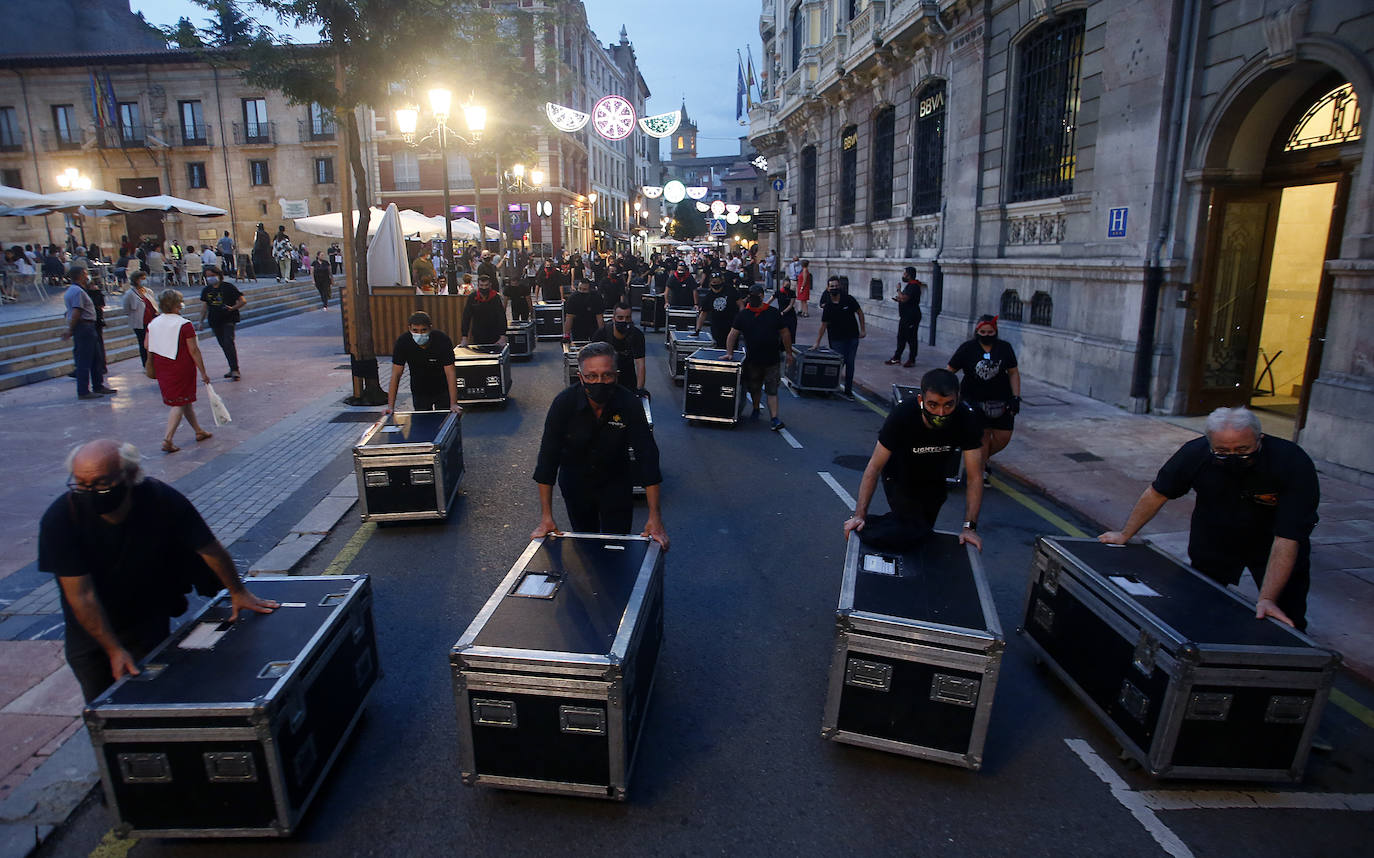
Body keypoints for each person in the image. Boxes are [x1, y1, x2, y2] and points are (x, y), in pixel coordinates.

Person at [39, 439, 278, 702]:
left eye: (101, 484)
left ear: (129, 476)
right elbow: (81, 595)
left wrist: (238, 591)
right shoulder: (62, 518)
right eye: (82, 484)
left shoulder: (158, 498)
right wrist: (113, 649)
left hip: (146, 615)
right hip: (90, 629)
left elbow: (208, 547)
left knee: (152, 693)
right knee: (105, 705)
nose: (90, 492)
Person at [1098, 407, 1319, 629]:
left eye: (1243, 450)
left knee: (1286, 610)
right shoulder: (1194, 453)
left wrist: (1268, 598)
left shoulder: (1292, 462)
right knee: (1201, 600)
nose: (1233, 457)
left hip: (1271, 538)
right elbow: (1157, 493)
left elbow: (1287, 537)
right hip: (1214, 535)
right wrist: (1125, 533)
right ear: (1209, 443)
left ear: (1259, 439)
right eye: (1222, 452)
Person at [532, 342, 668, 546]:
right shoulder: (564, 404)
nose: (599, 382)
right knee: (587, 546)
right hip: (576, 484)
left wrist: (655, 518)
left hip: (616, 484)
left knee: (617, 546)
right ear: (580, 377)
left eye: (607, 375)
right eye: (591, 376)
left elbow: (647, 457)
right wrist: (546, 517)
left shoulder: (629, 403)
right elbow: (547, 460)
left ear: (616, 375)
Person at [844, 369, 984, 549]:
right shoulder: (902, 416)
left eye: (948, 405)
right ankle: (864, 527)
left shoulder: (966, 418)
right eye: (933, 405)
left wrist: (969, 528)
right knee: (910, 527)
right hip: (900, 475)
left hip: (934, 477)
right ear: (921, 400)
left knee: (922, 531)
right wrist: (860, 515)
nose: (941, 413)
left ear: (958, 398)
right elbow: (874, 467)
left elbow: (975, 477)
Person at [946, 314, 1020, 483]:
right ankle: (979, 475)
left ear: (996, 331)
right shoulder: (967, 348)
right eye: (983, 331)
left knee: (1003, 437)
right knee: (983, 437)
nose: (987, 334)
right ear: (977, 331)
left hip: (1001, 401)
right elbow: (950, 370)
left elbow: (1014, 372)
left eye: (990, 331)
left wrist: (1016, 397)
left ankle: (979, 458)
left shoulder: (1005, 348)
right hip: (974, 400)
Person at [147, 289, 214, 453]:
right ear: (178, 304)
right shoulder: (184, 325)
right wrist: (203, 372)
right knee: (179, 402)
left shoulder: (153, 323)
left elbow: (147, 345)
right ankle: (168, 439)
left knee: (184, 400)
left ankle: (198, 430)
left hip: (162, 365)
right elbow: (194, 350)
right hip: (181, 366)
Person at [727, 284, 794, 431]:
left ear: (762, 296)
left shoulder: (773, 313)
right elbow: (732, 335)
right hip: (753, 360)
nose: (752, 298)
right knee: (754, 388)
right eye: (750, 296)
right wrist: (729, 353)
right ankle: (756, 408)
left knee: (772, 389)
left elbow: (785, 333)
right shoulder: (743, 315)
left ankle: (774, 418)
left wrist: (789, 353)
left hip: (772, 360)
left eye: (755, 296)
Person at [386, 311, 460, 414]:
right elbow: (396, 374)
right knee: (422, 422)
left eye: (423, 330)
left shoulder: (442, 340)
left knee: (444, 421)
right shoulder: (403, 342)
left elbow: (450, 373)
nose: (419, 334)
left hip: (442, 389)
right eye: (415, 330)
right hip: (419, 390)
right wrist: (390, 407)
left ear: (430, 328)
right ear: (409, 329)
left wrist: (453, 403)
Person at [61, 268, 116, 400]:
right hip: (84, 327)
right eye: (85, 274)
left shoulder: (75, 290)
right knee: (84, 360)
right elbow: (76, 311)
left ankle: (98, 385)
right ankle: (83, 390)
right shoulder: (77, 292)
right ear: (80, 276)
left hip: (89, 327)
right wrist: (70, 328)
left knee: (96, 358)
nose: (87, 276)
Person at [814, 275, 866, 398]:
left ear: (840, 287)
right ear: (828, 288)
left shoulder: (848, 299)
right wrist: (817, 342)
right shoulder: (828, 306)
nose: (834, 288)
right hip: (836, 339)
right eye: (832, 286)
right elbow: (823, 325)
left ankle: (848, 391)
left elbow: (860, 312)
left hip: (852, 337)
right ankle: (829, 387)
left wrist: (863, 330)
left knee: (850, 363)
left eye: (836, 286)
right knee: (837, 363)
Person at [199, 266, 246, 381]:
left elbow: (243, 301)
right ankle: (232, 367)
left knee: (228, 342)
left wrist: (232, 308)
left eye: (212, 275)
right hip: (215, 320)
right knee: (224, 345)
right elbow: (204, 307)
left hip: (228, 319)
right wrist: (200, 321)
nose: (210, 278)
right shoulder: (206, 290)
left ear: (218, 275)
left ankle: (235, 369)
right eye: (207, 276)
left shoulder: (228, 287)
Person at [590, 302, 647, 392]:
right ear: (613, 319)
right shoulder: (601, 334)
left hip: (628, 378)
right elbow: (592, 362)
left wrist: (639, 389)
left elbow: (640, 364)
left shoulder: (637, 335)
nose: (624, 321)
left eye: (627, 318)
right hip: (605, 378)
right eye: (620, 318)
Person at [887, 267, 923, 367]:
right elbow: (904, 298)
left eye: (904, 274)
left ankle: (912, 360)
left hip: (911, 316)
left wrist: (898, 290)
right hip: (905, 316)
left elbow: (905, 298)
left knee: (911, 338)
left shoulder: (914, 286)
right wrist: (899, 299)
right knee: (901, 337)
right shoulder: (910, 286)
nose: (903, 276)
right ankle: (897, 357)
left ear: (909, 275)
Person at [695, 271, 742, 347]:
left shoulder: (730, 290)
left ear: (722, 281)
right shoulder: (709, 296)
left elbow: (740, 304)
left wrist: (740, 319)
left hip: (731, 326)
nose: (715, 285)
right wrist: (698, 330)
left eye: (717, 282)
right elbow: (703, 314)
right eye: (713, 282)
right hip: (717, 328)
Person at [461, 274, 509, 347]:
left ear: (490, 285)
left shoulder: (495, 297)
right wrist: (464, 337)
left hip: (494, 334)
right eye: (482, 285)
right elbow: (466, 317)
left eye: (486, 285)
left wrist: (503, 336)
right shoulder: (472, 297)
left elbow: (501, 317)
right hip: (478, 334)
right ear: (478, 285)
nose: (484, 287)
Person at [121, 271, 158, 366]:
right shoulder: (129, 294)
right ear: (137, 280)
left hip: (152, 321)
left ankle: (155, 362)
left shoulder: (148, 291)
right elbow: (126, 309)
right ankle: (146, 364)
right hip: (140, 323)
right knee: (143, 344)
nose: (144, 280)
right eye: (142, 278)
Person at [563, 277, 605, 342]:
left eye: (584, 289)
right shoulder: (573, 298)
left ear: (590, 289)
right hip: (578, 326)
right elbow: (569, 317)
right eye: (580, 289)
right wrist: (566, 336)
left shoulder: (596, 297)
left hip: (593, 326)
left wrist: (602, 334)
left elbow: (599, 317)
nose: (581, 291)